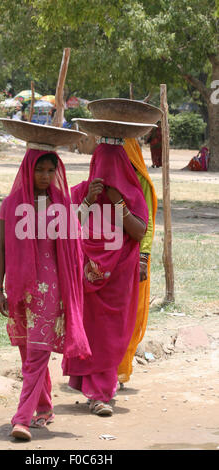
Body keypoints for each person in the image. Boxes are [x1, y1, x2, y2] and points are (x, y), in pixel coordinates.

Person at [0, 148, 91, 441]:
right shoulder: (10, 205)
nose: (46, 176)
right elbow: (1, 250)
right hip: (21, 289)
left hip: (52, 290)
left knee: (37, 353)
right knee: (28, 351)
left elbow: (73, 252)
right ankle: (45, 408)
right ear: (27, 170)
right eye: (40, 170)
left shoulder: (63, 206)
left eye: (51, 170)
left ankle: (21, 419)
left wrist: (73, 292)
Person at [62, 139, 148, 416]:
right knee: (89, 331)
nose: (107, 172)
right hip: (85, 275)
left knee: (112, 334)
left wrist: (119, 203)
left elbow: (138, 232)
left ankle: (101, 392)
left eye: (113, 166)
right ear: (93, 165)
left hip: (120, 277)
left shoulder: (133, 195)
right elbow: (67, 227)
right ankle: (95, 393)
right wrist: (88, 200)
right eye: (101, 165)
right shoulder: (79, 192)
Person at [117, 138, 157, 386]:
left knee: (129, 314)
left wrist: (143, 257)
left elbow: (147, 222)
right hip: (103, 256)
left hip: (132, 255)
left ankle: (119, 370)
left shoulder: (139, 177)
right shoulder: (102, 177)